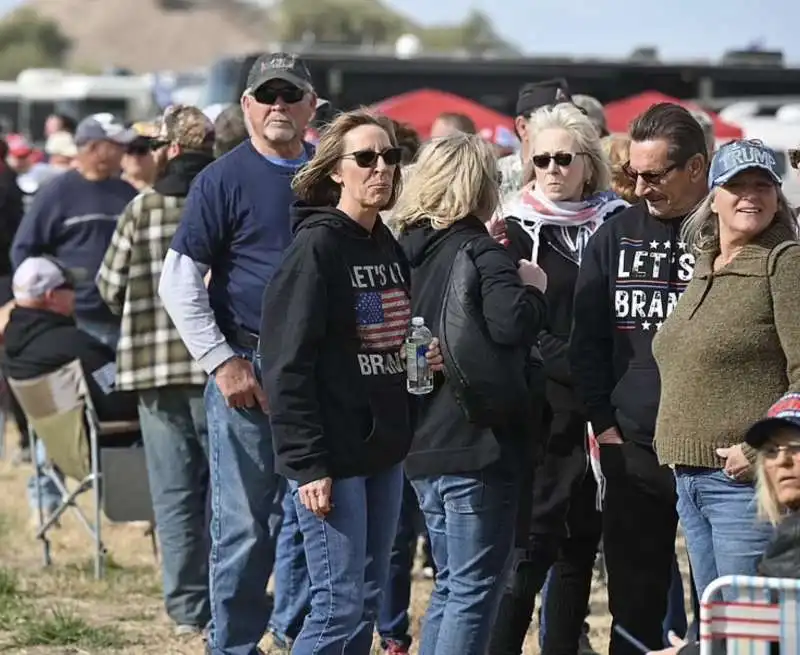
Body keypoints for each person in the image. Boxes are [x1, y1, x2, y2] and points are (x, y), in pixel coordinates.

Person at [260, 109, 442, 655]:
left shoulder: (385, 243)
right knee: (337, 606)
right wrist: (308, 463)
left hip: (382, 449)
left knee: (364, 602)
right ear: (337, 170)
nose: (381, 168)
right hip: (333, 457)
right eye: (365, 158)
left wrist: (420, 360)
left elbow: (386, 339)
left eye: (390, 157)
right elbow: (286, 363)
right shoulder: (317, 248)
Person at [158, 52, 316, 655]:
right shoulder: (222, 178)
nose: (279, 105)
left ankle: (299, 636)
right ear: (246, 106)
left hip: (319, 377)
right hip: (248, 374)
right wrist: (223, 363)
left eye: (290, 94)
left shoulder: (332, 174)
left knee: (318, 521)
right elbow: (178, 282)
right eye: (266, 95)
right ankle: (234, 645)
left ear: (310, 105)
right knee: (248, 529)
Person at [393, 132, 548, 655]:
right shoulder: (483, 252)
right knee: (474, 589)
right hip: (477, 443)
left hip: (419, 444)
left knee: (452, 584)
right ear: (480, 186)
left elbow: (380, 333)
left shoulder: (397, 254)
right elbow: (513, 325)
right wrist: (533, 287)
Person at [569, 102, 709, 655]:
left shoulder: (733, 236)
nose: (642, 186)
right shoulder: (612, 236)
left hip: (716, 451)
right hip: (633, 447)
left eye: (656, 175)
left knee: (723, 597)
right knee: (634, 599)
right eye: (634, 173)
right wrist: (604, 426)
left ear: (696, 168)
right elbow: (587, 343)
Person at [491, 102, 627, 655]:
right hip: (543, 408)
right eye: (539, 158)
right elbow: (509, 318)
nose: (550, 168)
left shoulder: (618, 223)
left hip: (602, 409)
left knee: (580, 548)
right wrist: (569, 363)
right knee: (531, 550)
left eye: (563, 158)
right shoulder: (510, 226)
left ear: (587, 165)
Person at [653, 140, 797, 599]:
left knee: (752, 631)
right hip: (691, 480)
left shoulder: (785, 262)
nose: (750, 195)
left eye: (763, 185)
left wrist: (757, 454)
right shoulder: (706, 265)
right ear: (713, 197)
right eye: (737, 185)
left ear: (779, 196)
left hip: (746, 484)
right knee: (721, 627)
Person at [96, 105, 217, 638]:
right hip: (218, 367)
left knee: (174, 493)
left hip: (151, 367)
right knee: (224, 492)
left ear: (168, 150)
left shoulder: (141, 210)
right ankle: (224, 594)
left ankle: (187, 609)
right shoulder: (222, 203)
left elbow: (108, 286)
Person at [648, 392, 800, 655]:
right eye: (772, 451)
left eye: (796, 447)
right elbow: (771, 636)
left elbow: (764, 645)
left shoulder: (791, 542)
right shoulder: (788, 535)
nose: (783, 461)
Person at [4, 256, 139, 523]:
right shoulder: (78, 347)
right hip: (104, 451)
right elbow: (122, 395)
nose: (76, 295)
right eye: (70, 288)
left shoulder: (12, 349)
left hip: (60, 454)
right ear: (52, 296)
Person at [10, 114, 139, 348]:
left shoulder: (128, 194)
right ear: (93, 147)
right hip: (75, 321)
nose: (124, 150)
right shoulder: (56, 194)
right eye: (117, 145)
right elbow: (24, 251)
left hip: (123, 321)